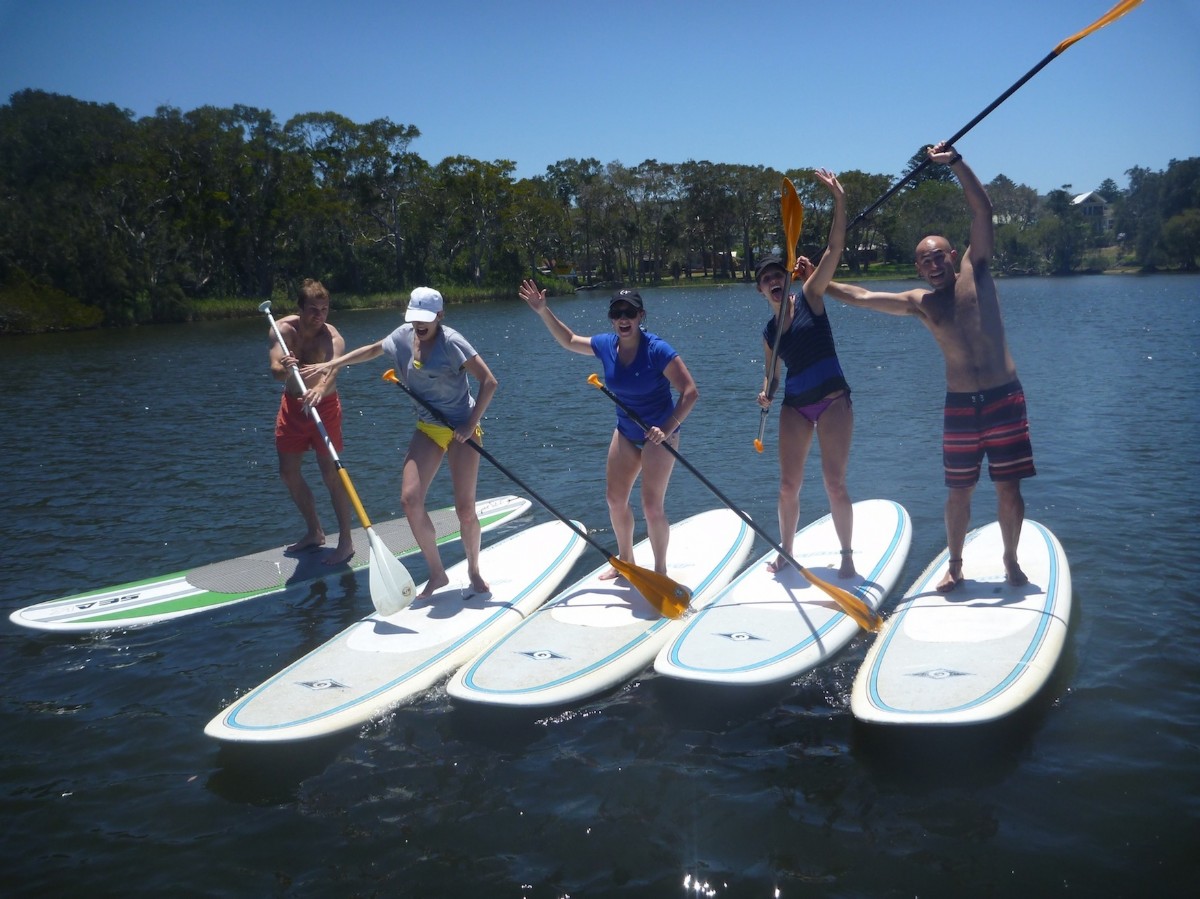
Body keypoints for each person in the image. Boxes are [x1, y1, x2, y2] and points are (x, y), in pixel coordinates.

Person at [826, 142, 1035, 591]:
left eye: (938, 254)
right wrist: (816, 280)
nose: (933, 263)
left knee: (1008, 488)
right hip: (960, 405)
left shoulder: (975, 269)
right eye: (924, 259)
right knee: (959, 491)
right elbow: (860, 296)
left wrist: (955, 164)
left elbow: (983, 210)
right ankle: (956, 564)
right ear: (918, 269)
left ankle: (1011, 560)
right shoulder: (919, 303)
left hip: (1004, 397)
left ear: (952, 253)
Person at [303, 287, 498, 597]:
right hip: (429, 428)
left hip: (461, 428)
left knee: (464, 509)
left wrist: (470, 422)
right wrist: (333, 364)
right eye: (414, 319)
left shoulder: (453, 344)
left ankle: (473, 568)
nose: (419, 326)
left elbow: (489, 381)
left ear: (439, 316)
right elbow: (373, 349)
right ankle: (437, 573)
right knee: (409, 499)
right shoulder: (403, 336)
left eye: (425, 320)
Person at [517, 281, 698, 579]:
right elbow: (569, 340)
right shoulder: (605, 346)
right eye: (617, 313)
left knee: (651, 507)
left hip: (660, 435)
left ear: (641, 316)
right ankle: (626, 561)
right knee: (615, 500)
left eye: (629, 312)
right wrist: (543, 311)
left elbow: (690, 392)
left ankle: (661, 571)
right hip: (626, 432)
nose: (623, 318)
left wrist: (666, 428)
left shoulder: (657, 350)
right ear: (612, 318)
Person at [755, 168, 856, 578]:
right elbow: (771, 376)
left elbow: (834, 249)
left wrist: (839, 200)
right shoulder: (768, 333)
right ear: (761, 290)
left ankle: (847, 555)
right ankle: (785, 552)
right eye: (766, 279)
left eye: (778, 275)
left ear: (788, 278)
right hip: (795, 406)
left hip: (833, 400)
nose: (774, 281)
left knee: (834, 484)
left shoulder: (811, 295)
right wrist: (765, 392)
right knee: (787, 487)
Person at [269, 278, 355, 565]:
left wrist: (319, 389)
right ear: (300, 309)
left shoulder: (333, 338)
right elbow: (275, 371)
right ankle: (315, 532)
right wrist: (285, 367)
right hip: (292, 408)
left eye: (325, 309)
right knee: (288, 474)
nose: (319, 316)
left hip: (325, 407)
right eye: (313, 309)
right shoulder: (283, 331)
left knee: (331, 475)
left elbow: (332, 372)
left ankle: (346, 541)